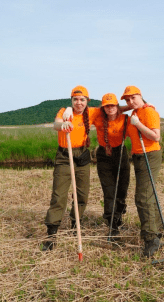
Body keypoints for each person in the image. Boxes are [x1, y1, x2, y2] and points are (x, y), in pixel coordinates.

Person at [42, 85, 100, 251]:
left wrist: (139, 106)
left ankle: (76, 224)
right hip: (64, 155)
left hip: (82, 155)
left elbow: (113, 109)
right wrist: (63, 125)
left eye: (82, 100)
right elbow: (56, 124)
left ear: (87, 101)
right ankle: (52, 234)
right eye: (75, 99)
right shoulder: (64, 112)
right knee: (59, 195)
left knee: (82, 194)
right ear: (71, 101)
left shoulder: (92, 112)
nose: (79, 103)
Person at [120, 86, 163, 257]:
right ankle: (157, 231)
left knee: (143, 197)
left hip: (149, 154)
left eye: (133, 98)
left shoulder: (149, 112)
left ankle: (151, 238)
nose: (130, 102)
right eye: (127, 100)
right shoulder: (134, 113)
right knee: (148, 194)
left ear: (140, 96)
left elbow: (155, 136)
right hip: (138, 156)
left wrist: (138, 125)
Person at [93, 93, 130, 238]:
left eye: (112, 105)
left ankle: (119, 215)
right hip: (104, 155)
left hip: (121, 153)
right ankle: (112, 224)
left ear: (117, 106)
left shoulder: (125, 119)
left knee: (122, 188)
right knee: (109, 190)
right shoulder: (98, 118)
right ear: (103, 107)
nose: (110, 109)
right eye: (106, 106)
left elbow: (135, 105)